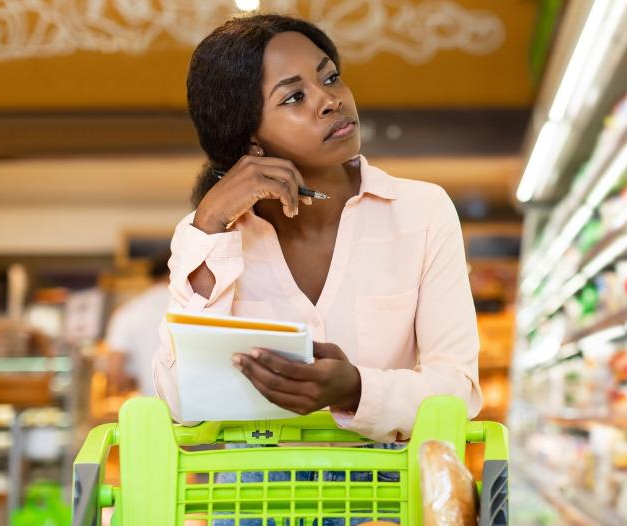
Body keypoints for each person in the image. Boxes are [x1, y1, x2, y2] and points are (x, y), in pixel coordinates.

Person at [153, 14, 481, 442]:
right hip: (249, 499)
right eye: (293, 97)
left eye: (330, 78)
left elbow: (460, 392)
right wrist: (210, 224)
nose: (330, 100)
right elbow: (181, 402)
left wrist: (358, 389)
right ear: (250, 139)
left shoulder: (423, 212)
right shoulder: (207, 238)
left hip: (388, 497)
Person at [106, 255, 171, 398]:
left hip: (152, 407)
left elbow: (115, 370)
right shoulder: (195, 306)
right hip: (202, 409)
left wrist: (133, 383)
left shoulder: (128, 311)